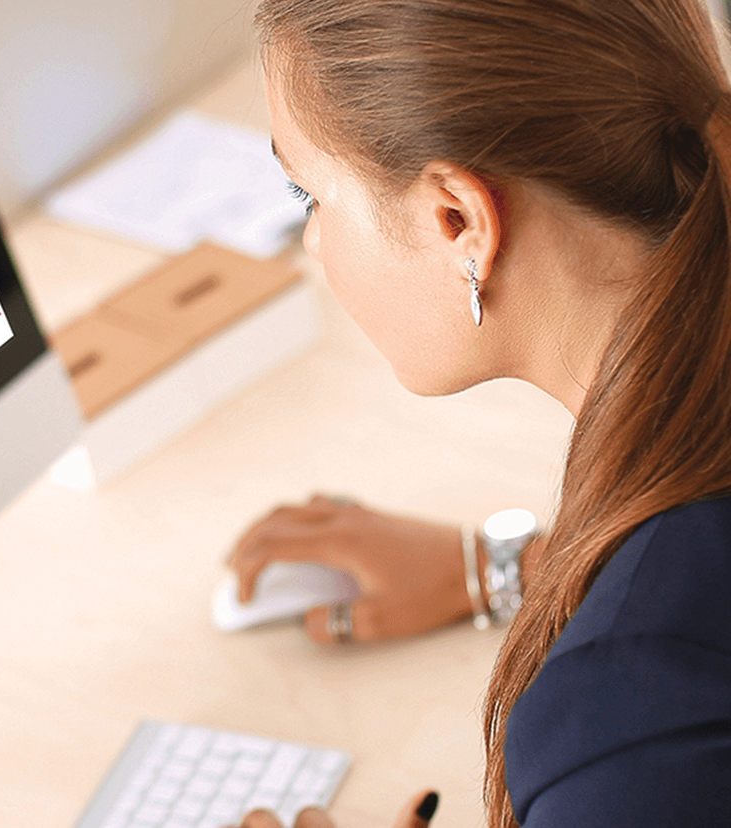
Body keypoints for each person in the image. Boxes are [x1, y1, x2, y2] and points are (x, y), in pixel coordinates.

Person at [226, 1, 731, 826]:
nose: (313, 244)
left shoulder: (629, 724)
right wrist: (515, 567)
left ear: (458, 218)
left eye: (307, 193)